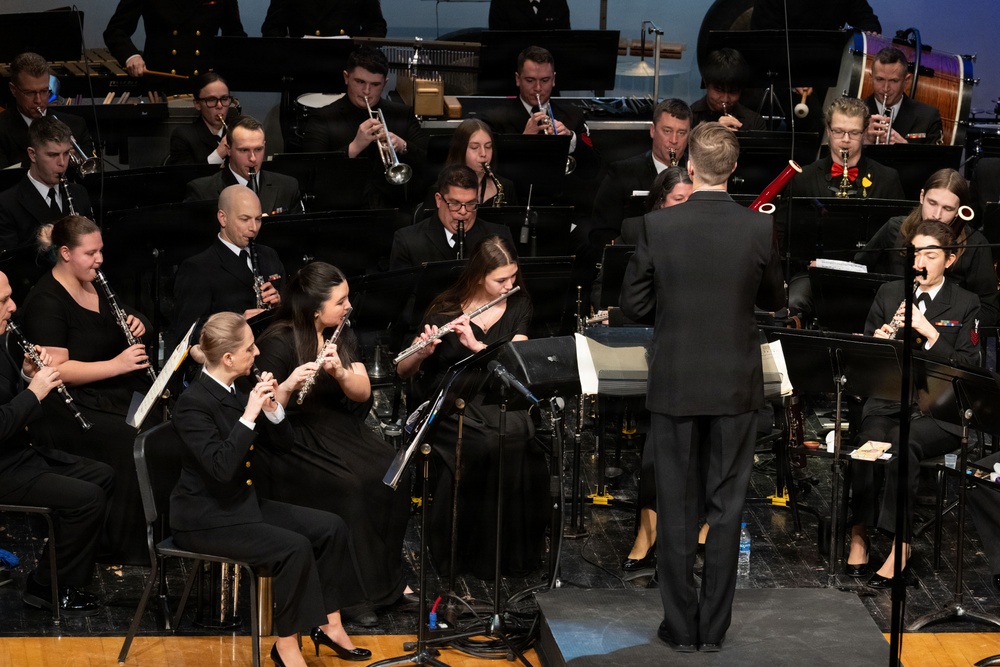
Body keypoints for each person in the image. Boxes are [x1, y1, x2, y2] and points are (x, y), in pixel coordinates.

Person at [620, 122, 785, 652]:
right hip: (736, 386)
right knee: (726, 505)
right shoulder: (758, 229)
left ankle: (680, 625)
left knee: (675, 505)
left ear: (689, 167)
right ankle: (713, 629)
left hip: (674, 384)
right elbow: (775, 298)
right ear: (734, 170)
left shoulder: (658, 228)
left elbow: (635, 306)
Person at [171, 311, 370, 667]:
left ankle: (331, 624)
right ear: (228, 357)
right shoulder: (192, 404)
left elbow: (282, 445)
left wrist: (275, 409)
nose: (257, 354)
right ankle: (286, 647)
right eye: (250, 348)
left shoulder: (238, 388)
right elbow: (220, 469)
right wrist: (249, 416)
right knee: (293, 548)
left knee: (331, 527)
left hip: (241, 506)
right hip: (205, 519)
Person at [254, 262, 413, 625]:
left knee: (393, 469)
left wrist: (340, 372)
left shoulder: (340, 333)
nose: (348, 306)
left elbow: (363, 391)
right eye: (340, 301)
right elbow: (264, 407)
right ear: (315, 309)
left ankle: (388, 582)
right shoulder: (278, 341)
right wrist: (291, 384)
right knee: (349, 485)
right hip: (290, 435)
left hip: (332, 423)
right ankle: (353, 597)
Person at [396, 235, 547, 578]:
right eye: (501, 280)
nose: (511, 284)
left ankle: (509, 554)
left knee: (518, 432)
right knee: (485, 442)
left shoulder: (519, 304)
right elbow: (403, 372)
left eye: (513, 277)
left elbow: (515, 366)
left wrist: (475, 344)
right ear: (480, 276)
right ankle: (466, 554)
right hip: (451, 402)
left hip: (498, 396)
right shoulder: (444, 309)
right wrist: (420, 352)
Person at [843, 220, 981, 587]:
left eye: (930, 254)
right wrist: (876, 344)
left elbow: (969, 368)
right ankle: (859, 533)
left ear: (949, 260)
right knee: (868, 447)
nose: (920, 261)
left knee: (904, 447)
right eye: (915, 253)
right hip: (888, 401)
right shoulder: (890, 294)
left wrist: (930, 331)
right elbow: (864, 364)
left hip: (938, 409)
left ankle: (900, 545)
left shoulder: (965, 303)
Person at [18, 215, 155, 566]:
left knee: (158, 425)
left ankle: (156, 531)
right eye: (90, 253)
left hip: (110, 391)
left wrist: (138, 320)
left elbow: (121, 320)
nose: (100, 260)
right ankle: (124, 546)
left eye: (101, 251)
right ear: (65, 253)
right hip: (67, 408)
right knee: (128, 440)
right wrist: (119, 365)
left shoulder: (96, 283)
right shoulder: (46, 301)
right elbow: (56, 371)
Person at [0, 269, 114, 617]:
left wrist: (27, 375)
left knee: (102, 474)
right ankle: (49, 588)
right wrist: (35, 393)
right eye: (3, 300)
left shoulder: (1, 338)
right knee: (87, 499)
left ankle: (58, 572)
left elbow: (8, 397)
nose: (13, 306)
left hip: (17, 453)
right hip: (2, 467)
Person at [783, 97, 905, 324]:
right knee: (793, 302)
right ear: (828, 130)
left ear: (864, 132)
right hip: (815, 273)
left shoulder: (887, 178)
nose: (845, 140)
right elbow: (788, 235)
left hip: (871, 274)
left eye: (854, 133)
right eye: (838, 131)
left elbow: (898, 239)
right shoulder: (804, 178)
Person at [854, 168, 998, 326]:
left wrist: (936, 322)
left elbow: (989, 310)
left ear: (959, 210)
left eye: (948, 209)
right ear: (922, 196)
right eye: (932, 203)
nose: (937, 215)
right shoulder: (894, 229)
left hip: (946, 336)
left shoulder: (976, 244)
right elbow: (860, 273)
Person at [300, 46, 427, 208]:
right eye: (360, 82)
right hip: (341, 209)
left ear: (385, 83)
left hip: (393, 208)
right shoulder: (323, 117)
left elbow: (428, 161)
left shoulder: (402, 114)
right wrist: (354, 147)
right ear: (346, 77)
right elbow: (311, 172)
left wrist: (403, 146)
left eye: (375, 84)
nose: (366, 91)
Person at [170, 186, 284, 349]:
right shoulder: (198, 268)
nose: (253, 228)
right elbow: (187, 336)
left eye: (258, 219)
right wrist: (234, 327)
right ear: (223, 218)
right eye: (245, 219)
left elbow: (291, 311)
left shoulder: (269, 255)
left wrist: (279, 305)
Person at [0, 117, 93, 303]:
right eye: (52, 155)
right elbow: (13, 268)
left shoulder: (79, 193)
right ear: (32, 155)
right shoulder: (7, 202)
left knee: (143, 326)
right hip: (39, 297)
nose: (62, 163)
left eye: (66, 153)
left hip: (83, 290)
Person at [481, 45, 598, 178]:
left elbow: (594, 168)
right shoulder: (494, 119)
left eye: (545, 80)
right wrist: (523, 142)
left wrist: (571, 140)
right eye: (530, 80)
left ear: (553, 80)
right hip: (517, 196)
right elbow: (489, 170)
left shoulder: (573, 115)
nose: (538, 88)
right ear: (518, 79)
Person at [589, 99, 692, 247]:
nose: (674, 140)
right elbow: (601, 232)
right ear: (653, 131)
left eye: (681, 133)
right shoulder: (622, 172)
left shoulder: (698, 173)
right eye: (667, 131)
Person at [591, 167, 693, 309]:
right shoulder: (634, 230)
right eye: (678, 199)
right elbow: (605, 287)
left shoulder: (705, 233)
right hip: (641, 316)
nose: (686, 206)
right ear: (661, 202)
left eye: (691, 199)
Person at [390, 165, 514, 270]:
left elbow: (518, 293)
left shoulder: (499, 236)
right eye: (454, 203)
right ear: (439, 200)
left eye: (471, 203)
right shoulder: (408, 241)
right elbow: (400, 297)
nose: (463, 211)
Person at [185, 116, 302, 215]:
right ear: (228, 149)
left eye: (258, 149)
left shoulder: (288, 187)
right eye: (244, 150)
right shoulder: (202, 192)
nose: (253, 158)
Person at [103, 0, 246, 79]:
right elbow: (115, 30)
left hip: (205, 86)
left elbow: (234, 35)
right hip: (161, 85)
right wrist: (131, 57)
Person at [0, 52, 93, 170]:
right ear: (13, 90)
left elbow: (91, 179)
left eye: (44, 91)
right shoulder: (2, 129)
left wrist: (72, 157)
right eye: (30, 93)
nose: (38, 100)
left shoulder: (76, 126)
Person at [862, 47, 943, 145]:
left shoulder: (928, 117)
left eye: (894, 81)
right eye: (880, 79)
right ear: (871, 78)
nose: (886, 88)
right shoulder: (855, 114)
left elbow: (934, 159)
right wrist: (863, 142)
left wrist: (904, 146)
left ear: (906, 81)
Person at [439, 119, 518, 208]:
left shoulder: (506, 187)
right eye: (474, 147)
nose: (483, 154)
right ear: (460, 150)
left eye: (488, 147)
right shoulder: (441, 188)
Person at [165, 72, 237, 166]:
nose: (219, 105)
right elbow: (185, 178)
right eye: (211, 100)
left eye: (224, 99)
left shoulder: (239, 131)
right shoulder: (183, 136)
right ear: (197, 104)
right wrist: (218, 155)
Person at [691, 48, 767, 133]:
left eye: (733, 91)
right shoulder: (690, 118)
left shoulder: (754, 122)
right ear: (706, 83)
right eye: (719, 90)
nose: (725, 99)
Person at [262, 0, 387, 37]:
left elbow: (376, 27)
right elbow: (272, 28)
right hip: (302, 68)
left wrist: (361, 60)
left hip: (347, 69)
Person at [750, 0, 881, 32]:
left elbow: (867, 20)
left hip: (829, 69)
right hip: (783, 72)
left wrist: (870, 35)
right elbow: (763, 39)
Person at [488, 0, 570, 30]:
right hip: (513, 63)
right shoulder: (501, 3)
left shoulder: (558, 2)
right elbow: (499, 43)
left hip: (550, 64)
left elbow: (565, 41)